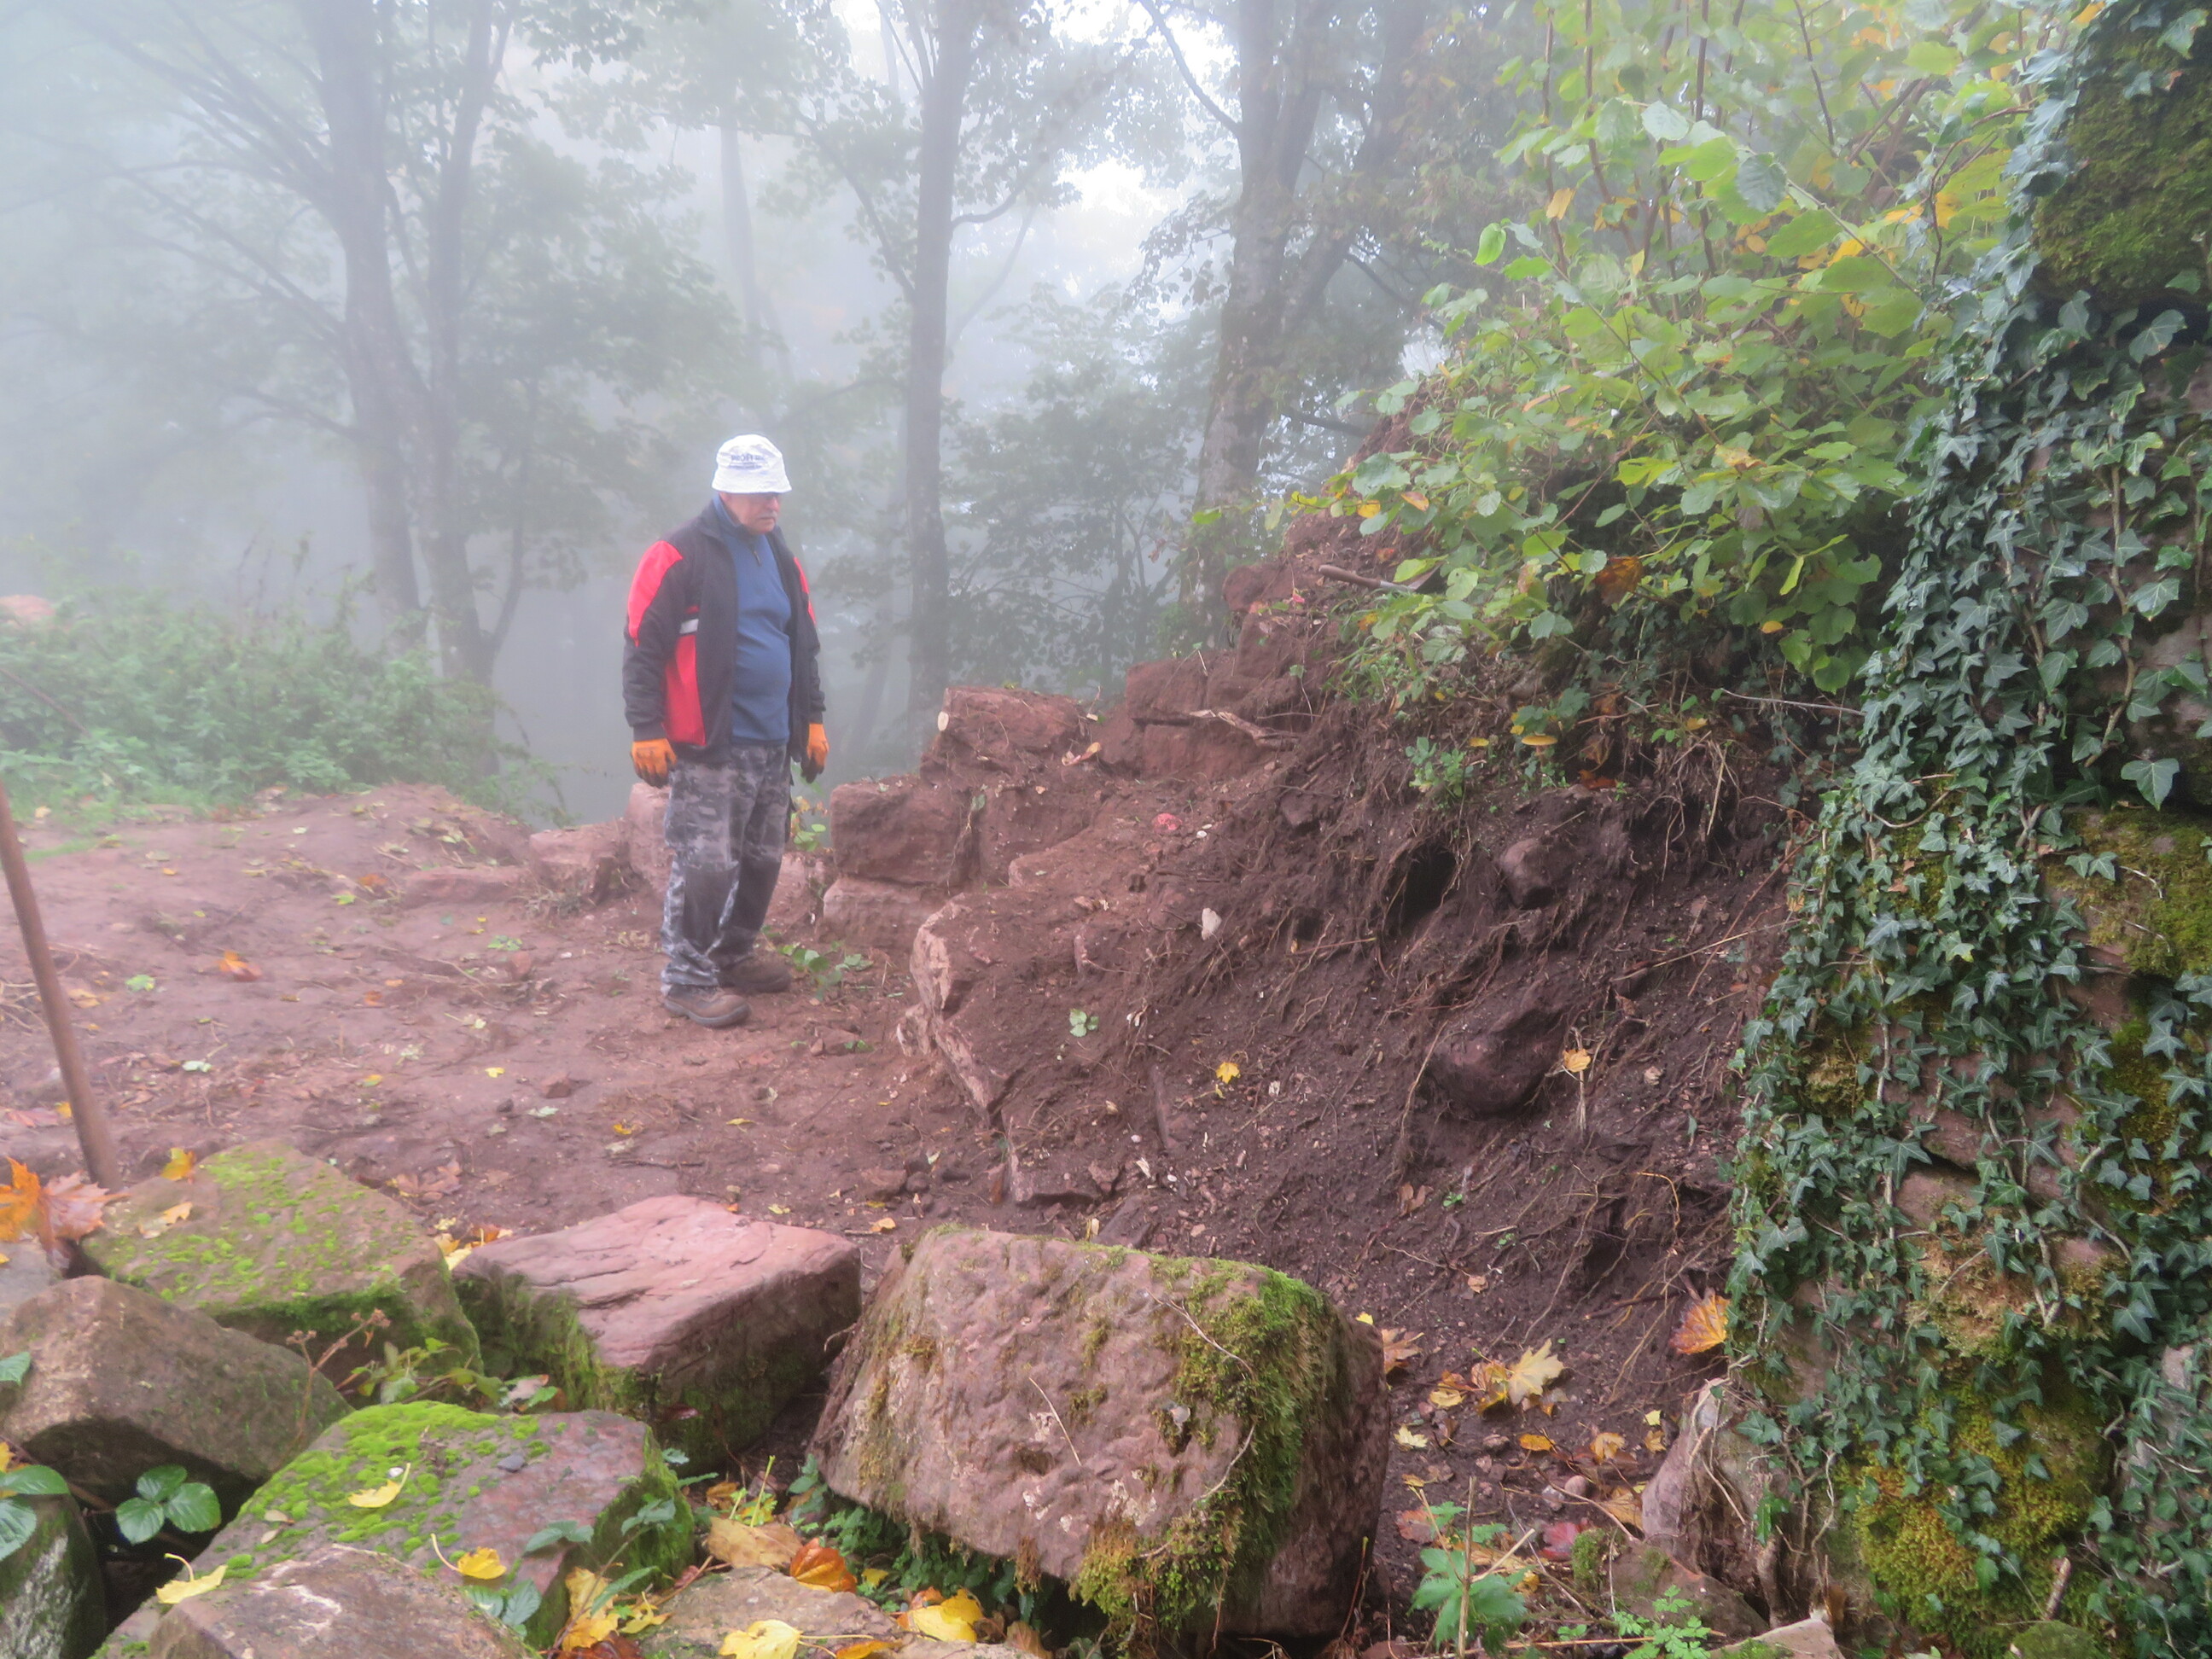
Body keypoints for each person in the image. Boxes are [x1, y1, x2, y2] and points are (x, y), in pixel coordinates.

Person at [622, 434, 828, 1028]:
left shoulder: (779, 556)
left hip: (773, 740)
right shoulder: (679, 555)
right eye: (762, 494)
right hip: (711, 743)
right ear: (727, 491)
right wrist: (646, 726)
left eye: (778, 493)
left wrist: (812, 719)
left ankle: (732, 955)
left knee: (764, 858)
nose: (774, 504)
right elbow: (641, 645)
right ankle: (686, 980)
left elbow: (804, 644)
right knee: (707, 863)